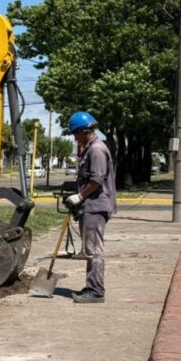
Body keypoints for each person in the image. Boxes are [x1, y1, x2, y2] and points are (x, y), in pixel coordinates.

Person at [64, 111, 117, 304]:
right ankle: (92, 285)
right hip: (90, 206)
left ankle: (96, 291)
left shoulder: (96, 150)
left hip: (96, 206)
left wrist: (79, 196)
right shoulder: (88, 148)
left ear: (85, 131)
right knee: (89, 249)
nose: (75, 137)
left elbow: (96, 179)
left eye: (76, 133)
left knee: (94, 250)